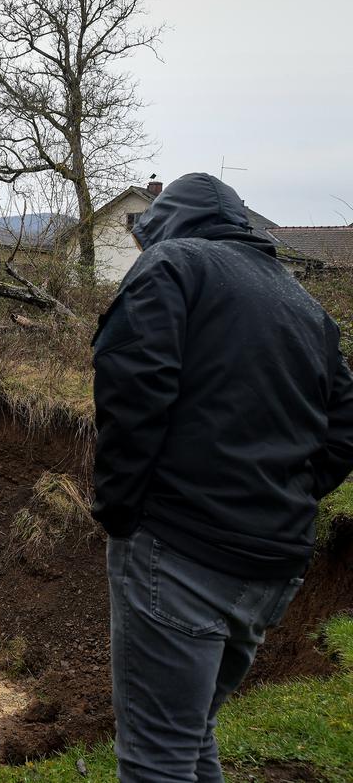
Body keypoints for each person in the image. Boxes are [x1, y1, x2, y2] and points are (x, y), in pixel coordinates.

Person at [91, 172, 353, 781]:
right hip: (271, 566)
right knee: (191, 734)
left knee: (156, 760)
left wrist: (120, 509)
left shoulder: (173, 266)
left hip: (180, 550)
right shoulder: (301, 302)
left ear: (164, 226)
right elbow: (345, 425)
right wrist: (286, 494)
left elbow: (134, 387)